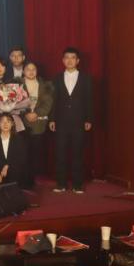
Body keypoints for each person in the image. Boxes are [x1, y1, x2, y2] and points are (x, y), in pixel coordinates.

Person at [49, 47, 93, 194]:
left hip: (79, 121)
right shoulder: (56, 78)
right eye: (66, 57)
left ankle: (77, 185)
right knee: (60, 153)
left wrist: (88, 119)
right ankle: (61, 184)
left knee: (77, 154)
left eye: (72, 57)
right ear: (63, 60)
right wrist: (52, 119)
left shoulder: (86, 78)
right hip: (61, 121)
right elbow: (53, 100)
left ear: (77, 60)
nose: (69, 60)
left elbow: (89, 100)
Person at [21, 61, 54, 184]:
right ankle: (22, 179)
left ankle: (32, 180)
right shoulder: (17, 85)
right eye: (28, 69)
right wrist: (25, 114)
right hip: (22, 123)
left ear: (37, 71)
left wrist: (36, 113)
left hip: (38, 123)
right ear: (23, 71)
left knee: (35, 153)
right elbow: (14, 102)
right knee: (22, 152)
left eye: (33, 69)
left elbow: (48, 103)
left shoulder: (45, 85)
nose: (31, 72)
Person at [0, 113, 30, 188]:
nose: (5, 124)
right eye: (2, 121)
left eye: (8, 121)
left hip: (15, 171)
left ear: (12, 124)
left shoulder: (19, 139)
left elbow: (22, 159)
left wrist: (7, 166)